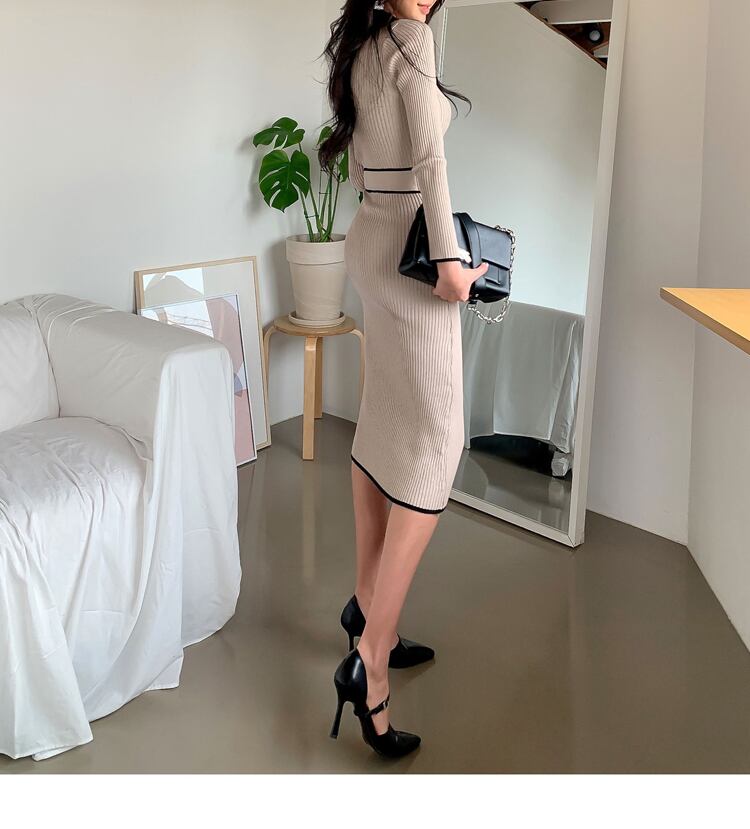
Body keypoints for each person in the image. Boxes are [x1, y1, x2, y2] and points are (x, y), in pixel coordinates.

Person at [318, 0, 488, 759]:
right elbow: (431, 160)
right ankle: (373, 659)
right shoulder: (412, 37)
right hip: (414, 253)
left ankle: (366, 605)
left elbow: (364, 161)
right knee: (438, 440)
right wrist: (449, 263)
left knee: (385, 413)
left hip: (370, 239)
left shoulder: (363, 43)